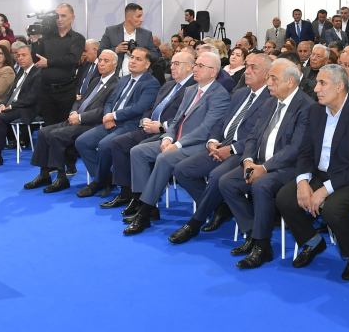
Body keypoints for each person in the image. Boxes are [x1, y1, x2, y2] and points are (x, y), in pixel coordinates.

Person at [275, 64, 349, 278]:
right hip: (323, 173)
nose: (316, 89)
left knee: (332, 209)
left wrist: (325, 190)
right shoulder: (315, 111)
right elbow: (305, 151)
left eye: (322, 83)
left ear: (340, 86)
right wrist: (303, 182)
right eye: (317, 83)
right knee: (285, 198)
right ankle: (312, 241)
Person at [120, 52, 230, 235]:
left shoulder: (220, 95)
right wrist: (168, 138)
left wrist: (177, 145)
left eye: (200, 66)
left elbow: (205, 129)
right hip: (176, 141)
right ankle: (145, 203)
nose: (195, 69)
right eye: (196, 65)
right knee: (138, 152)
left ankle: (144, 213)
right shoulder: (190, 90)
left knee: (164, 158)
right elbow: (176, 120)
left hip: (197, 145)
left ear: (213, 72)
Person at [167, 53, 274, 243]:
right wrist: (212, 141)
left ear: (267, 74)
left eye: (253, 68)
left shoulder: (271, 99)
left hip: (244, 152)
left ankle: (195, 222)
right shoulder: (241, 93)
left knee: (217, 176)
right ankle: (220, 207)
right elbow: (222, 121)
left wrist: (231, 149)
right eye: (247, 66)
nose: (247, 71)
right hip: (220, 145)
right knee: (182, 170)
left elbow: (259, 136)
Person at [219, 60, 313, 268]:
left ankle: (263, 247)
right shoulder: (270, 102)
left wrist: (264, 168)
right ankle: (253, 233)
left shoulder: (306, 106)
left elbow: (295, 148)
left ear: (290, 81)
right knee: (227, 183)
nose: (269, 82)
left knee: (261, 185)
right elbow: (253, 136)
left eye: (274, 79)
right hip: (258, 164)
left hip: (287, 168)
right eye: (269, 77)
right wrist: (248, 161)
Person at [98, 51, 195, 203]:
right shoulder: (169, 85)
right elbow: (151, 107)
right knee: (118, 143)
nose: (172, 67)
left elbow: (187, 117)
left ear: (189, 66)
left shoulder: (194, 88)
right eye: (172, 64)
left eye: (177, 64)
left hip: (168, 134)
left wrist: (162, 127)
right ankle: (126, 192)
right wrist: (145, 119)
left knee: (138, 149)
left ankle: (141, 200)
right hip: (149, 128)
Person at [17, 49, 117, 185]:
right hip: (76, 118)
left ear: (115, 64)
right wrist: (73, 113)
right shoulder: (95, 81)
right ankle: (44, 174)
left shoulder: (116, 84)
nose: (101, 63)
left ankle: (61, 177)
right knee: (43, 132)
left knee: (56, 134)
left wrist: (80, 118)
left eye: (106, 61)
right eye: (100, 60)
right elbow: (79, 100)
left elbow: (104, 110)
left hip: (92, 124)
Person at [74, 47, 161, 184]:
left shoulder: (151, 83)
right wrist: (108, 115)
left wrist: (114, 116)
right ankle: (106, 179)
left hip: (130, 124)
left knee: (104, 146)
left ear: (147, 64)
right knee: (82, 142)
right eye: (132, 57)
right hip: (111, 122)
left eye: (138, 59)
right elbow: (110, 101)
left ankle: (98, 182)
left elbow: (140, 108)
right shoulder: (123, 79)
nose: (132, 61)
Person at [30, 3, 86, 127]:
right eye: (57, 16)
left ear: (72, 18)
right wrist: (34, 40)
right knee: (48, 125)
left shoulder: (78, 38)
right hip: (46, 90)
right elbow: (36, 60)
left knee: (64, 127)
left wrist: (48, 62)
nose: (59, 19)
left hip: (66, 90)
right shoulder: (47, 37)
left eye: (63, 16)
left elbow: (72, 59)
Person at [99, 2, 161, 81]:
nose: (142, 20)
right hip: (115, 79)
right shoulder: (111, 31)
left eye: (141, 16)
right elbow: (100, 52)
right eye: (138, 16)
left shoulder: (146, 34)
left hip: (139, 79)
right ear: (128, 17)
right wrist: (116, 50)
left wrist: (138, 54)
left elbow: (155, 56)